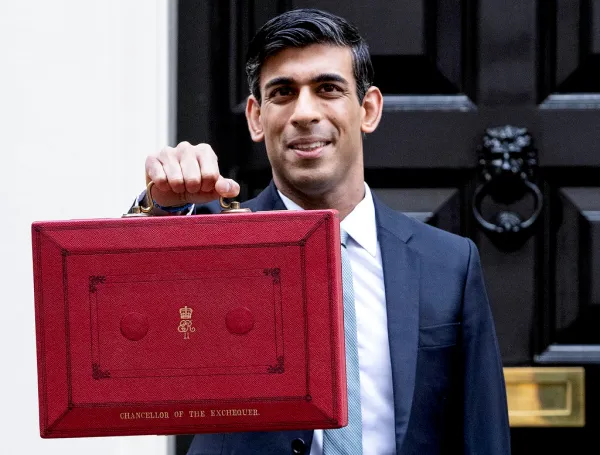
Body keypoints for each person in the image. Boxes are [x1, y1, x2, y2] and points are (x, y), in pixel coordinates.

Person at [131, 8, 511, 455]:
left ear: (368, 109)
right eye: (283, 93)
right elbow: (125, 333)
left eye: (328, 89)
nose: (304, 113)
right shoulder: (214, 241)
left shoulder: (450, 263)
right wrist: (158, 209)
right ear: (256, 117)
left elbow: (484, 434)